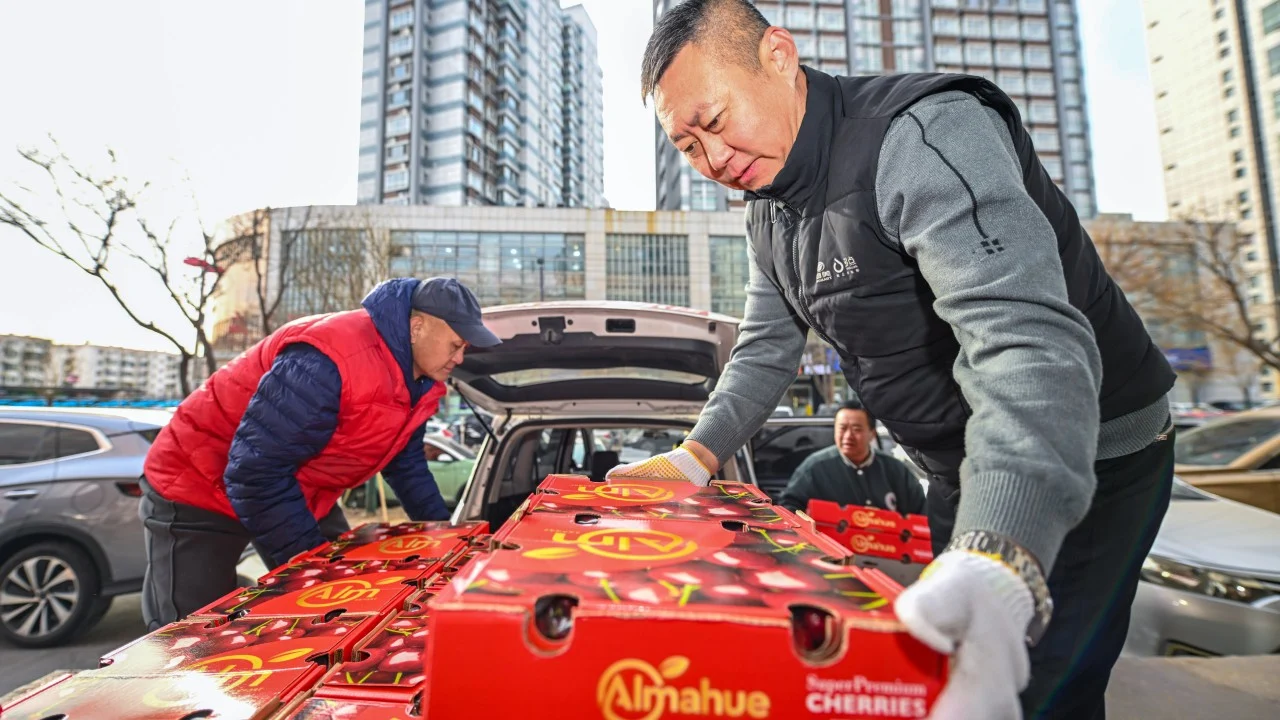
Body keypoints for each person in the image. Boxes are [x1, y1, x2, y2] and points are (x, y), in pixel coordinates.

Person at [607, 2, 1175, 718]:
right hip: (958, 461)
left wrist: (1003, 552)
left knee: (1033, 686)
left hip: (1093, 451)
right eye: (688, 147)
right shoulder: (768, 213)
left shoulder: (923, 133)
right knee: (943, 662)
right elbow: (765, 347)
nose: (712, 161)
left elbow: (1022, 339)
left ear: (778, 56)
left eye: (715, 123)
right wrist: (694, 457)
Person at [139, 277, 499, 630]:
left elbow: (406, 465)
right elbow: (255, 472)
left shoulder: (421, 383)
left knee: (345, 611)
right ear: (416, 327)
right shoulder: (331, 358)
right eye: (455, 345)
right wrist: (317, 573)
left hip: (299, 487)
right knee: (189, 634)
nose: (460, 357)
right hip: (197, 482)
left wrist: (447, 538)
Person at [777, 399, 925, 516]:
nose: (848, 436)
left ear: (872, 433)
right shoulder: (814, 468)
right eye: (842, 428)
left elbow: (922, 512)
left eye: (856, 429)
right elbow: (789, 507)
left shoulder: (895, 470)